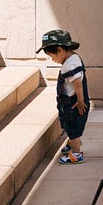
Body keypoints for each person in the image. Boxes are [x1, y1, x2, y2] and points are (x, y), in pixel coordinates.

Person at [37, 29, 90, 165]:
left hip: (73, 103)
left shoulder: (68, 66)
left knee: (72, 127)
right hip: (72, 101)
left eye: (51, 56)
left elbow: (77, 83)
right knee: (72, 125)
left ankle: (76, 153)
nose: (53, 60)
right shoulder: (74, 58)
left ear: (60, 50)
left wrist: (80, 100)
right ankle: (73, 142)